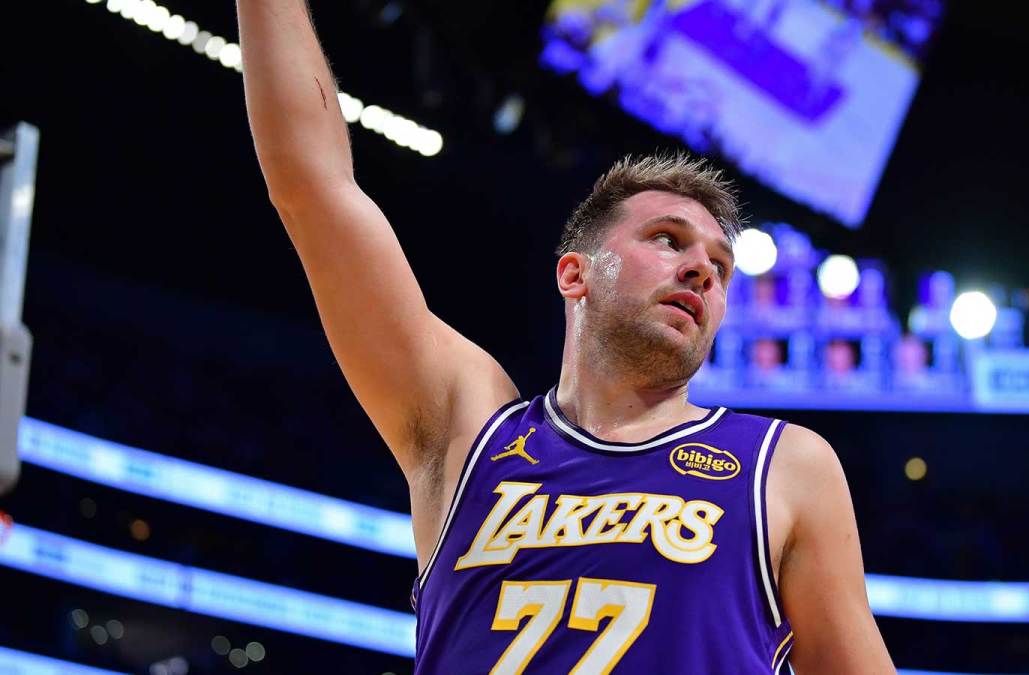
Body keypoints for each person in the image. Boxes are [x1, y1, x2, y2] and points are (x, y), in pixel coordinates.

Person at [237, 1, 893, 672]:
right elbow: (314, 190)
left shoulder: (784, 464)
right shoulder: (470, 427)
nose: (701, 267)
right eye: (667, 239)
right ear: (576, 274)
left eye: (719, 267)